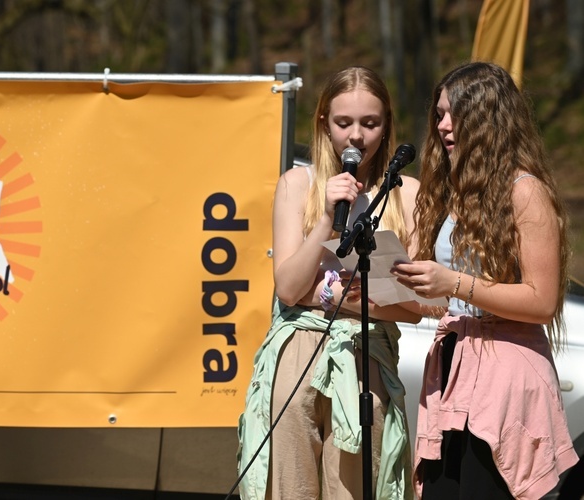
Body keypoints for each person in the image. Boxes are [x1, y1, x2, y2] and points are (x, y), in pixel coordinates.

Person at [391, 61, 580, 499]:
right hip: (452, 366)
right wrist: (390, 286)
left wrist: (451, 282)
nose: (442, 125)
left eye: (454, 113)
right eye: (438, 113)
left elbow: (542, 301)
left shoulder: (525, 190)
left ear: (486, 118)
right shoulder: (452, 191)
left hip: (506, 375)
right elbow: (444, 301)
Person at [237, 66, 421, 500]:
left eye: (370, 123)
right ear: (323, 122)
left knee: (355, 489)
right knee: (290, 487)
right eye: (344, 123)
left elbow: (415, 305)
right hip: (296, 356)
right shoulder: (296, 184)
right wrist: (325, 216)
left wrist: (340, 297)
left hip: (365, 357)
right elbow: (288, 288)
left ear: (387, 125)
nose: (356, 137)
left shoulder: (407, 193)